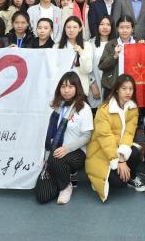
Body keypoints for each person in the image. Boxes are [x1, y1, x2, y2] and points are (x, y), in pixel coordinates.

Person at [85, 74, 145, 201]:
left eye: (131, 89)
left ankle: (131, 177)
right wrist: (118, 160)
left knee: (135, 151)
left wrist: (122, 157)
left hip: (118, 148)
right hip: (101, 150)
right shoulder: (104, 109)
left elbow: (129, 133)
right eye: (124, 88)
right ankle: (97, 179)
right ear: (117, 89)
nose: (128, 92)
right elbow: (105, 138)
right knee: (118, 182)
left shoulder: (132, 108)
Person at [37, 72, 93, 204]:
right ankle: (61, 176)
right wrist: (45, 156)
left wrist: (67, 148)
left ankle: (66, 186)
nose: (66, 90)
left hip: (76, 152)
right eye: (63, 86)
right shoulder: (57, 105)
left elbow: (87, 136)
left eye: (70, 86)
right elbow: (49, 134)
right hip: (55, 153)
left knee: (55, 159)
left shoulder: (84, 108)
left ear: (77, 88)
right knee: (42, 196)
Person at [98, 15, 135, 99]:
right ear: (117, 29)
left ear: (132, 29)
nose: (124, 30)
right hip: (112, 87)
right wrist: (114, 56)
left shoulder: (138, 43)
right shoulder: (111, 44)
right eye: (121, 27)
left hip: (132, 87)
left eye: (128, 27)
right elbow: (101, 66)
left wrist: (143, 46)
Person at [58, 16, 94, 90]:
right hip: (62, 86)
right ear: (64, 29)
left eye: (75, 27)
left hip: (80, 85)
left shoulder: (87, 45)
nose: (71, 30)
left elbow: (88, 69)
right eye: (68, 27)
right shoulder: (57, 47)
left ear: (80, 29)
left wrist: (81, 52)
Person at [88, 16, 113, 110]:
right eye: (102, 24)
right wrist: (92, 84)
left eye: (108, 24)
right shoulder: (90, 44)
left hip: (111, 87)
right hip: (95, 86)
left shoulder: (116, 44)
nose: (105, 27)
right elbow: (87, 67)